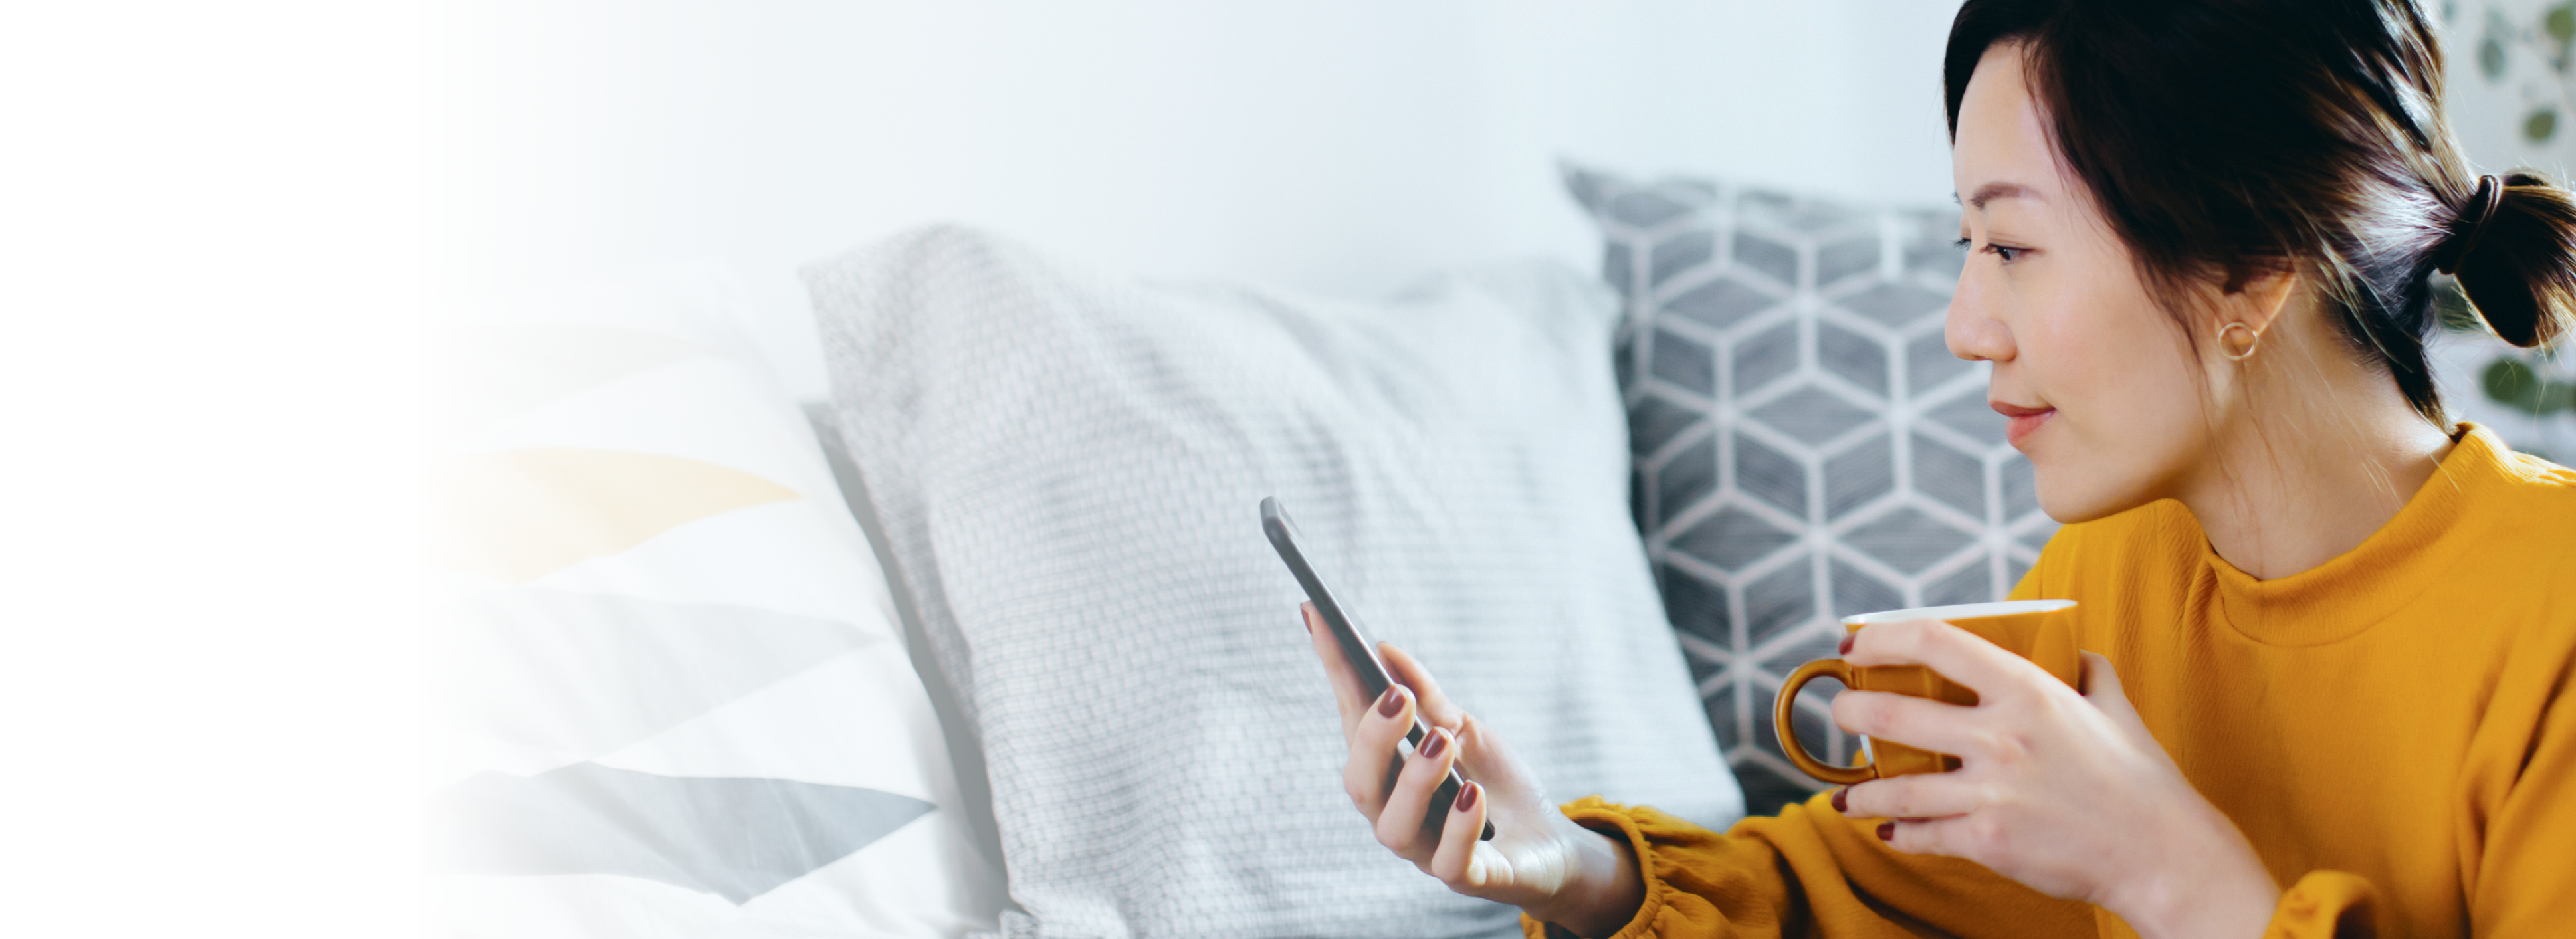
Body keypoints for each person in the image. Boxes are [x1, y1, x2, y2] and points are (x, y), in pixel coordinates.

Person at [1304, 1, 2576, 936]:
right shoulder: (2114, 575)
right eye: (1967, 245)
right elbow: (1880, 893)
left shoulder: (2549, 613)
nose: (1967, 326)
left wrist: (2163, 869)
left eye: (2011, 246)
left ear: (2249, 268)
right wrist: (1567, 864)